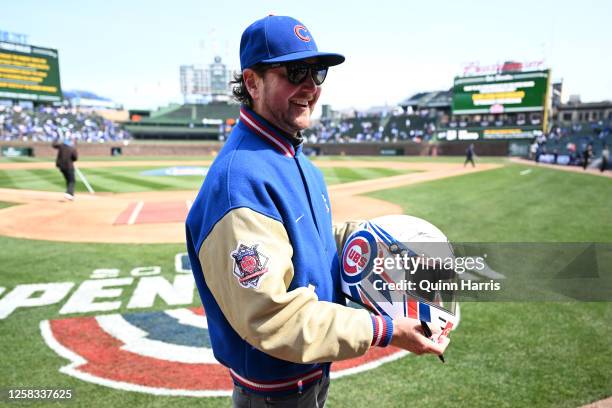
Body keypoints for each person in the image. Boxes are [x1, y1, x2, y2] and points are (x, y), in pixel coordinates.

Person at [186, 15, 449, 408]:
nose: (310, 86)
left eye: (317, 71)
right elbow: (271, 317)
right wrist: (385, 329)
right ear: (252, 82)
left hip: (307, 377)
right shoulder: (238, 180)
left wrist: (376, 242)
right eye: (295, 71)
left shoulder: (294, 159)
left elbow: (312, 240)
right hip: (272, 394)